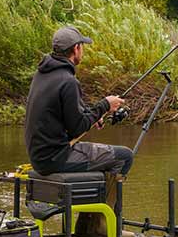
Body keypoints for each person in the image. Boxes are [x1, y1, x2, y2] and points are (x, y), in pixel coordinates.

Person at [24, 26, 133, 177]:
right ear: (76, 49)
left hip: (40, 157)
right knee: (125, 156)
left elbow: (69, 116)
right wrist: (105, 105)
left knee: (112, 155)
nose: (83, 51)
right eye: (82, 47)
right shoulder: (68, 81)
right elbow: (77, 128)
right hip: (56, 158)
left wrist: (95, 116)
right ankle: (104, 200)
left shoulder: (42, 74)